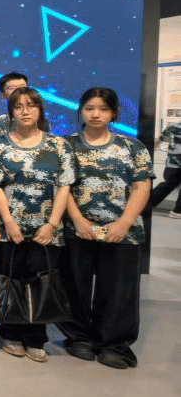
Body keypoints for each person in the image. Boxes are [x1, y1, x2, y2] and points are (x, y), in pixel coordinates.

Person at [61, 88, 152, 369]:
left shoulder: (132, 147)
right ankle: (79, 337)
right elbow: (62, 188)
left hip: (123, 231)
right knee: (74, 285)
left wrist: (124, 222)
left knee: (119, 289)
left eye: (102, 109)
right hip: (78, 230)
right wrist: (78, 221)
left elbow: (141, 186)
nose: (95, 114)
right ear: (81, 111)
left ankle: (114, 344)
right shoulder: (66, 145)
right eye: (89, 108)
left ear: (113, 113)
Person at [0, 87, 74, 363]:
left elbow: (64, 187)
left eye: (31, 105)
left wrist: (52, 224)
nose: (25, 111)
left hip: (45, 230)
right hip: (10, 229)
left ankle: (36, 337)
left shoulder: (58, 145)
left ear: (40, 110)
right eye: (19, 106)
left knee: (41, 281)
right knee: (9, 279)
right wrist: (8, 221)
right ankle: (10, 332)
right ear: (11, 112)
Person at [149, 117, 181, 216]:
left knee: (166, 186)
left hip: (172, 163)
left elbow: (162, 139)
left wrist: (154, 147)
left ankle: (145, 204)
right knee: (167, 185)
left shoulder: (173, 126)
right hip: (175, 163)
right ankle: (178, 211)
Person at [0, 72, 28, 140]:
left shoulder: (40, 120)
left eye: (22, 87)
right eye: (12, 88)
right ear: (3, 95)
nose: (19, 91)